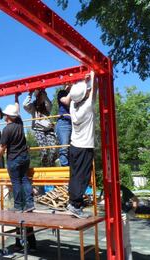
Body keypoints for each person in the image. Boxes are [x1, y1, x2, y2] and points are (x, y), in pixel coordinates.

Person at [0, 93, 37, 251]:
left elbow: (2, 148)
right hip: (25, 158)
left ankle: (19, 206)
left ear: (7, 116)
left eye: (5, 114)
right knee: (25, 179)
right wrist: (16, 99)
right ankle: (30, 204)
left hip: (14, 160)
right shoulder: (19, 124)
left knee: (17, 182)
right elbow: (17, 111)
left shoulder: (7, 130)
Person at [66, 71, 97, 218]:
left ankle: (72, 202)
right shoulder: (87, 107)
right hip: (84, 147)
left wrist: (86, 82)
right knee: (83, 177)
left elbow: (86, 93)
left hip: (74, 146)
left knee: (74, 176)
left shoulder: (73, 105)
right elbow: (92, 92)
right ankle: (75, 205)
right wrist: (93, 74)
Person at [23, 89, 57, 167]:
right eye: (39, 96)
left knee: (54, 150)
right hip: (39, 130)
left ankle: (52, 166)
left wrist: (43, 94)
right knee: (44, 151)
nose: (40, 98)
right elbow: (25, 105)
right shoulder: (33, 107)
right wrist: (30, 93)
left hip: (49, 130)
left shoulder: (47, 106)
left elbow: (48, 103)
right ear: (36, 98)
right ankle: (45, 167)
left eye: (42, 96)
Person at [120, 185, 139, 260]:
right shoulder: (106, 188)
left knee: (125, 241)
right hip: (114, 216)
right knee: (123, 242)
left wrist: (132, 211)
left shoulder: (122, 188)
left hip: (122, 216)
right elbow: (136, 200)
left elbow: (136, 200)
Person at [55, 84, 72, 166]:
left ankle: (71, 166)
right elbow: (66, 101)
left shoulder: (75, 93)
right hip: (64, 122)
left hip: (73, 122)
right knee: (64, 147)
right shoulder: (62, 93)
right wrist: (71, 91)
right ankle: (64, 166)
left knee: (73, 147)